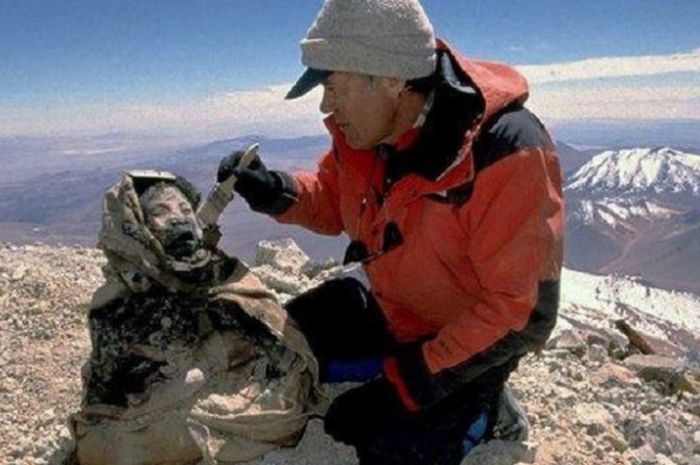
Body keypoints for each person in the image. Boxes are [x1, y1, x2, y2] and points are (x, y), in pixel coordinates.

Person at [217, 1, 564, 463]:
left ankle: (486, 410)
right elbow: (332, 198)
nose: (326, 105)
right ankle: (387, 368)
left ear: (392, 80)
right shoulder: (368, 134)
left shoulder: (506, 151)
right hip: (389, 303)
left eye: (334, 85)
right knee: (276, 347)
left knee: (382, 442)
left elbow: (522, 312)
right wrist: (274, 190)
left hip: (460, 336)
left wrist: (409, 385)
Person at [71, 170, 324, 465]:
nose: (178, 218)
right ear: (137, 226)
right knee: (106, 445)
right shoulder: (116, 299)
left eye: (184, 209)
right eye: (161, 212)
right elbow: (114, 388)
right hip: (159, 409)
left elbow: (270, 329)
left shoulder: (217, 267)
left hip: (237, 386)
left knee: (288, 398)